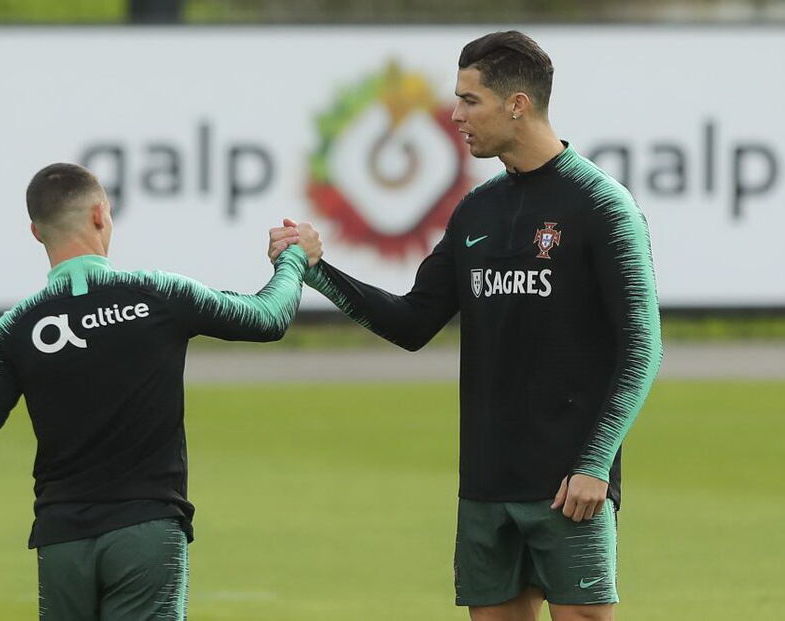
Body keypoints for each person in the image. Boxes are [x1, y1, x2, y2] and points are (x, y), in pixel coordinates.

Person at [271, 31, 662, 621]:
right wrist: (317, 271)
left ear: (517, 104)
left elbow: (643, 347)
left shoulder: (602, 205)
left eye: (469, 100)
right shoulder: (477, 210)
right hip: (485, 484)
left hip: (571, 485)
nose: (454, 116)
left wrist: (595, 463)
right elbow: (412, 321)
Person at [0, 162, 321, 620]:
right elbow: (267, 317)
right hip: (147, 533)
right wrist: (293, 259)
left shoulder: (16, 329)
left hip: (62, 541)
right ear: (101, 215)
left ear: (35, 232)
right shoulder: (159, 294)